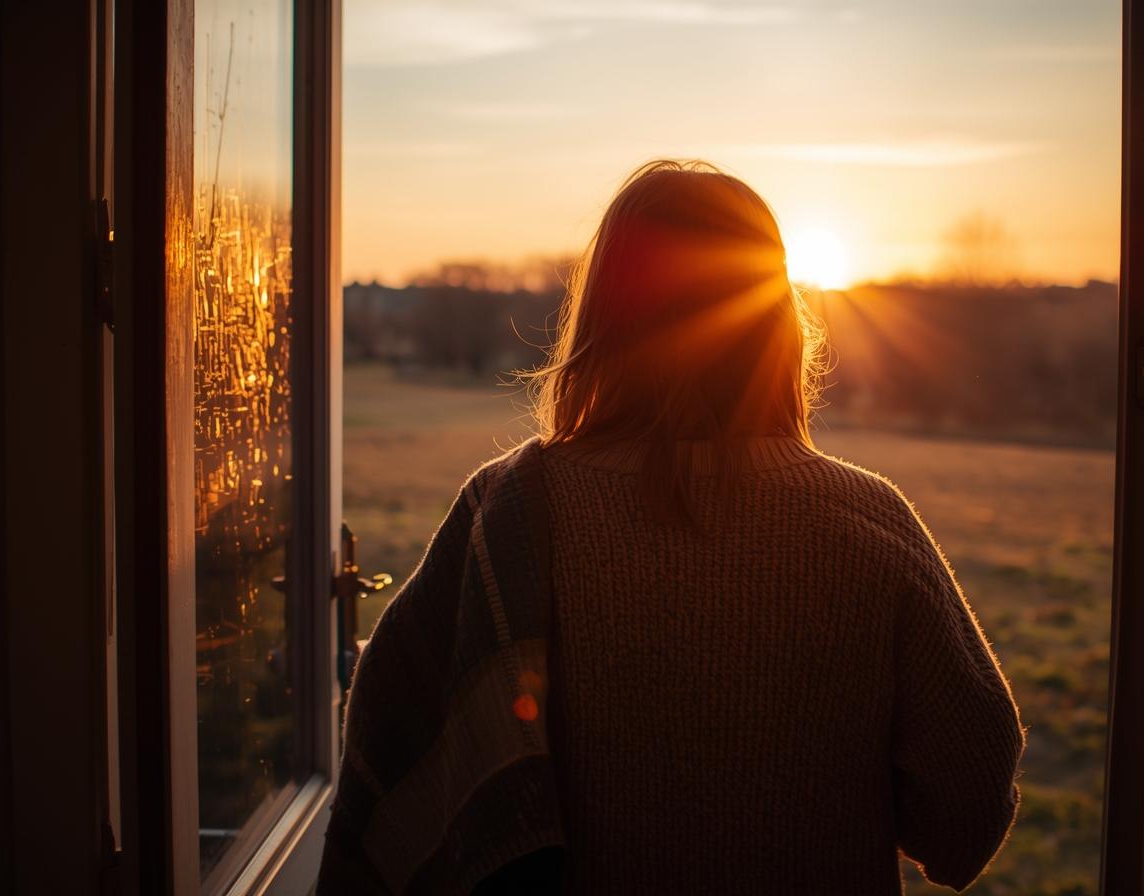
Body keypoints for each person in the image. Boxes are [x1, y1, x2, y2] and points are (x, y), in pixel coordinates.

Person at [320, 159, 1026, 895]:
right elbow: (965, 825)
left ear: (602, 319)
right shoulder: (872, 523)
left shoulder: (508, 513)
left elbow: (396, 747)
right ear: (778, 323)